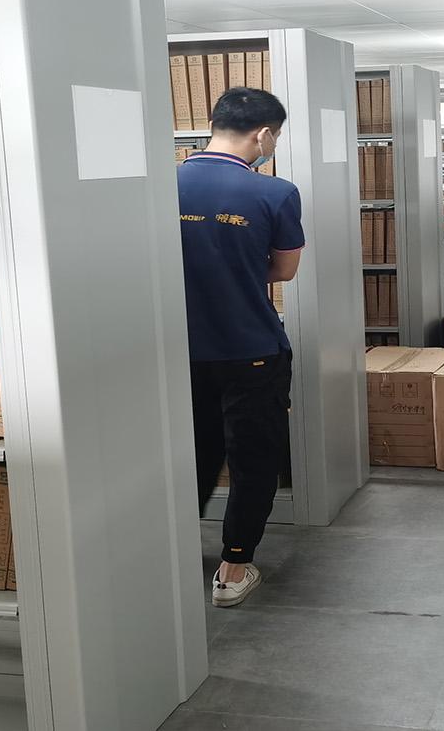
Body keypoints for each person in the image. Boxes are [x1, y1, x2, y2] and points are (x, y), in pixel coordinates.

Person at [177, 87, 304, 605]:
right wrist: (239, 270)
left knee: (191, 452)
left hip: (179, 351)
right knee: (253, 457)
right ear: (265, 134)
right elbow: (284, 270)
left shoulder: (160, 184)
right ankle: (233, 567)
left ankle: (174, 550)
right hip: (251, 347)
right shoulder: (275, 193)